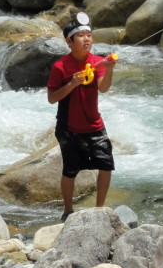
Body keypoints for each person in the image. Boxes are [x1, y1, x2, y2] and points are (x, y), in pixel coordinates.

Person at [47, 13, 117, 221]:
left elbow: (103, 88)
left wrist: (109, 70)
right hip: (68, 128)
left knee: (106, 165)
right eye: (81, 35)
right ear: (69, 42)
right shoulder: (60, 67)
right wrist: (72, 83)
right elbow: (52, 98)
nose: (87, 39)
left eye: (89, 35)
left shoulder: (97, 62)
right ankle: (68, 211)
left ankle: (100, 209)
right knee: (70, 170)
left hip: (94, 123)